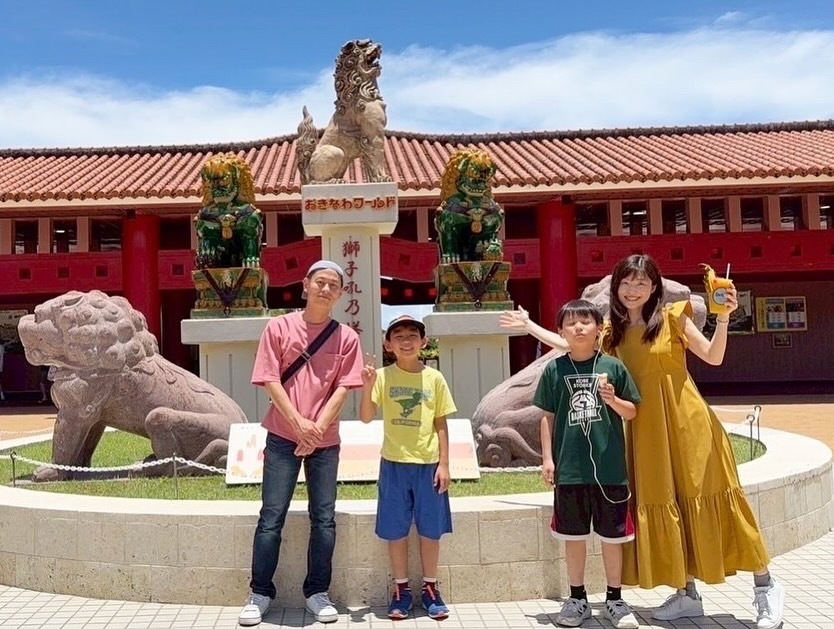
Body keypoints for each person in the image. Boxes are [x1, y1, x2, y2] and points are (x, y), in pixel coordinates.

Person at [500, 254, 785, 629]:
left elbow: (713, 357)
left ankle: (766, 586)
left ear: (654, 288)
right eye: (626, 282)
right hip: (644, 431)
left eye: (641, 283)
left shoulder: (674, 317)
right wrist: (529, 326)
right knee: (669, 504)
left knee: (715, 500)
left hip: (689, 425)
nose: (633, 290)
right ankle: (687, 593)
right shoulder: (613, 333)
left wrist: (724, 318)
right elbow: (572, 343)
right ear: (616, 287)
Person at [238, 260, 364, 627]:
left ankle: (317, 592)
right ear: (305, 285)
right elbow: (269, 379)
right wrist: (298, 424)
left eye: (333, 285)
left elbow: (344, 388)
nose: (326, 289)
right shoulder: (278, 327)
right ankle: (260, 592)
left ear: (340, 294)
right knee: (271, 516)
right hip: (282, 436)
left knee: (324, 518)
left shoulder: (347, 337)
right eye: (319, 282)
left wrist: (317, 429)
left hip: (326, 441)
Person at [534, 300, 641, 628]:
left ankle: (615, 599)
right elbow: (547, 417)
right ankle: (577, 598)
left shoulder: (613, 367)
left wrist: (613, 400)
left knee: (613, 538)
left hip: (610, 471)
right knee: (573, 536)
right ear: (560, 331)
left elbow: (632, 411)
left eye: (585, 322)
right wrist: (548, 459)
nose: (578, 328)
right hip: (570, 470)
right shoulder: (554, 370)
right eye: (570, 323)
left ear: (599, 329)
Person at [358, 314, 457, 620]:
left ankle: (430, 589)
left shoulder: (434, 378)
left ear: (423, 342)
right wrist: (367, 386)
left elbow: (441, 424)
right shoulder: (382, 377)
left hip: (428, 465)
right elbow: (365, 417)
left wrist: (444, 464)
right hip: (394, 464)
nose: (406, 341)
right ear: (388, 344)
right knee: (395, 529)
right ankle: (400, 590)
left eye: (412, 335)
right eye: (398, 336)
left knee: (431, 530)